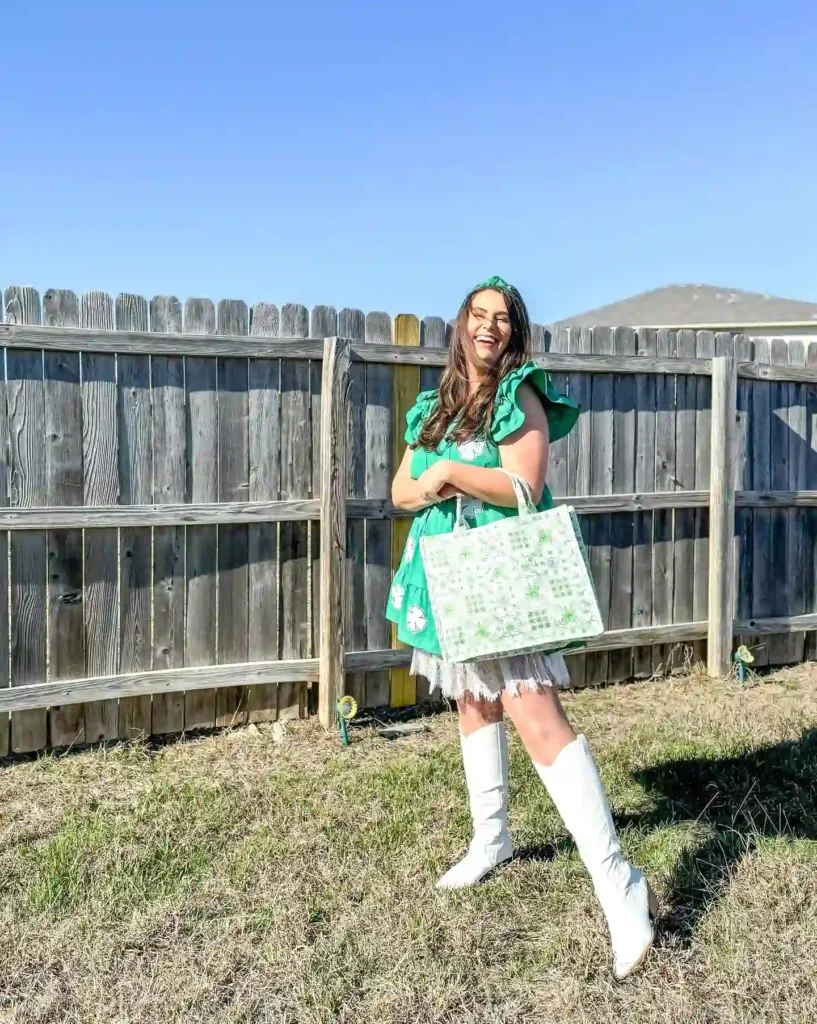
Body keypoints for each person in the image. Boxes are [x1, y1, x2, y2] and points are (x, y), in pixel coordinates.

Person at [386, 276, 657, 981]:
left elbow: (523, 489)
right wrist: (432, 477)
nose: (488, 326)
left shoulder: (520, 393)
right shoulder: (433, 404)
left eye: (501, 318)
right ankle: (492, 839)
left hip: (502, 580)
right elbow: (399, 492)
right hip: (445, 577)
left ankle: (618, 885)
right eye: (478, 315)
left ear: (514, 331)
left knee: (536, 716)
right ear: (460, 325)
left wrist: (444, 470)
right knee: (472, 702)